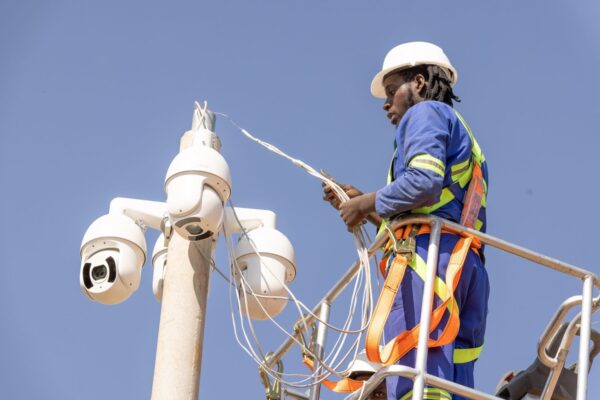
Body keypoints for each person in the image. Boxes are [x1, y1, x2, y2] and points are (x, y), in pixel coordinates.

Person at [323, 42, 490, 400]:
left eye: (390, 91)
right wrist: (366, 207)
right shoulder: (460, 130)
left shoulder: (424, 113)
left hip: (429, 260)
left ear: (419, 82)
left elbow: (424, 183)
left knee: (417, 370)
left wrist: (366, 203)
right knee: (453, 375)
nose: (386, 104)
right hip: (464, 262)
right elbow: (435, 204)